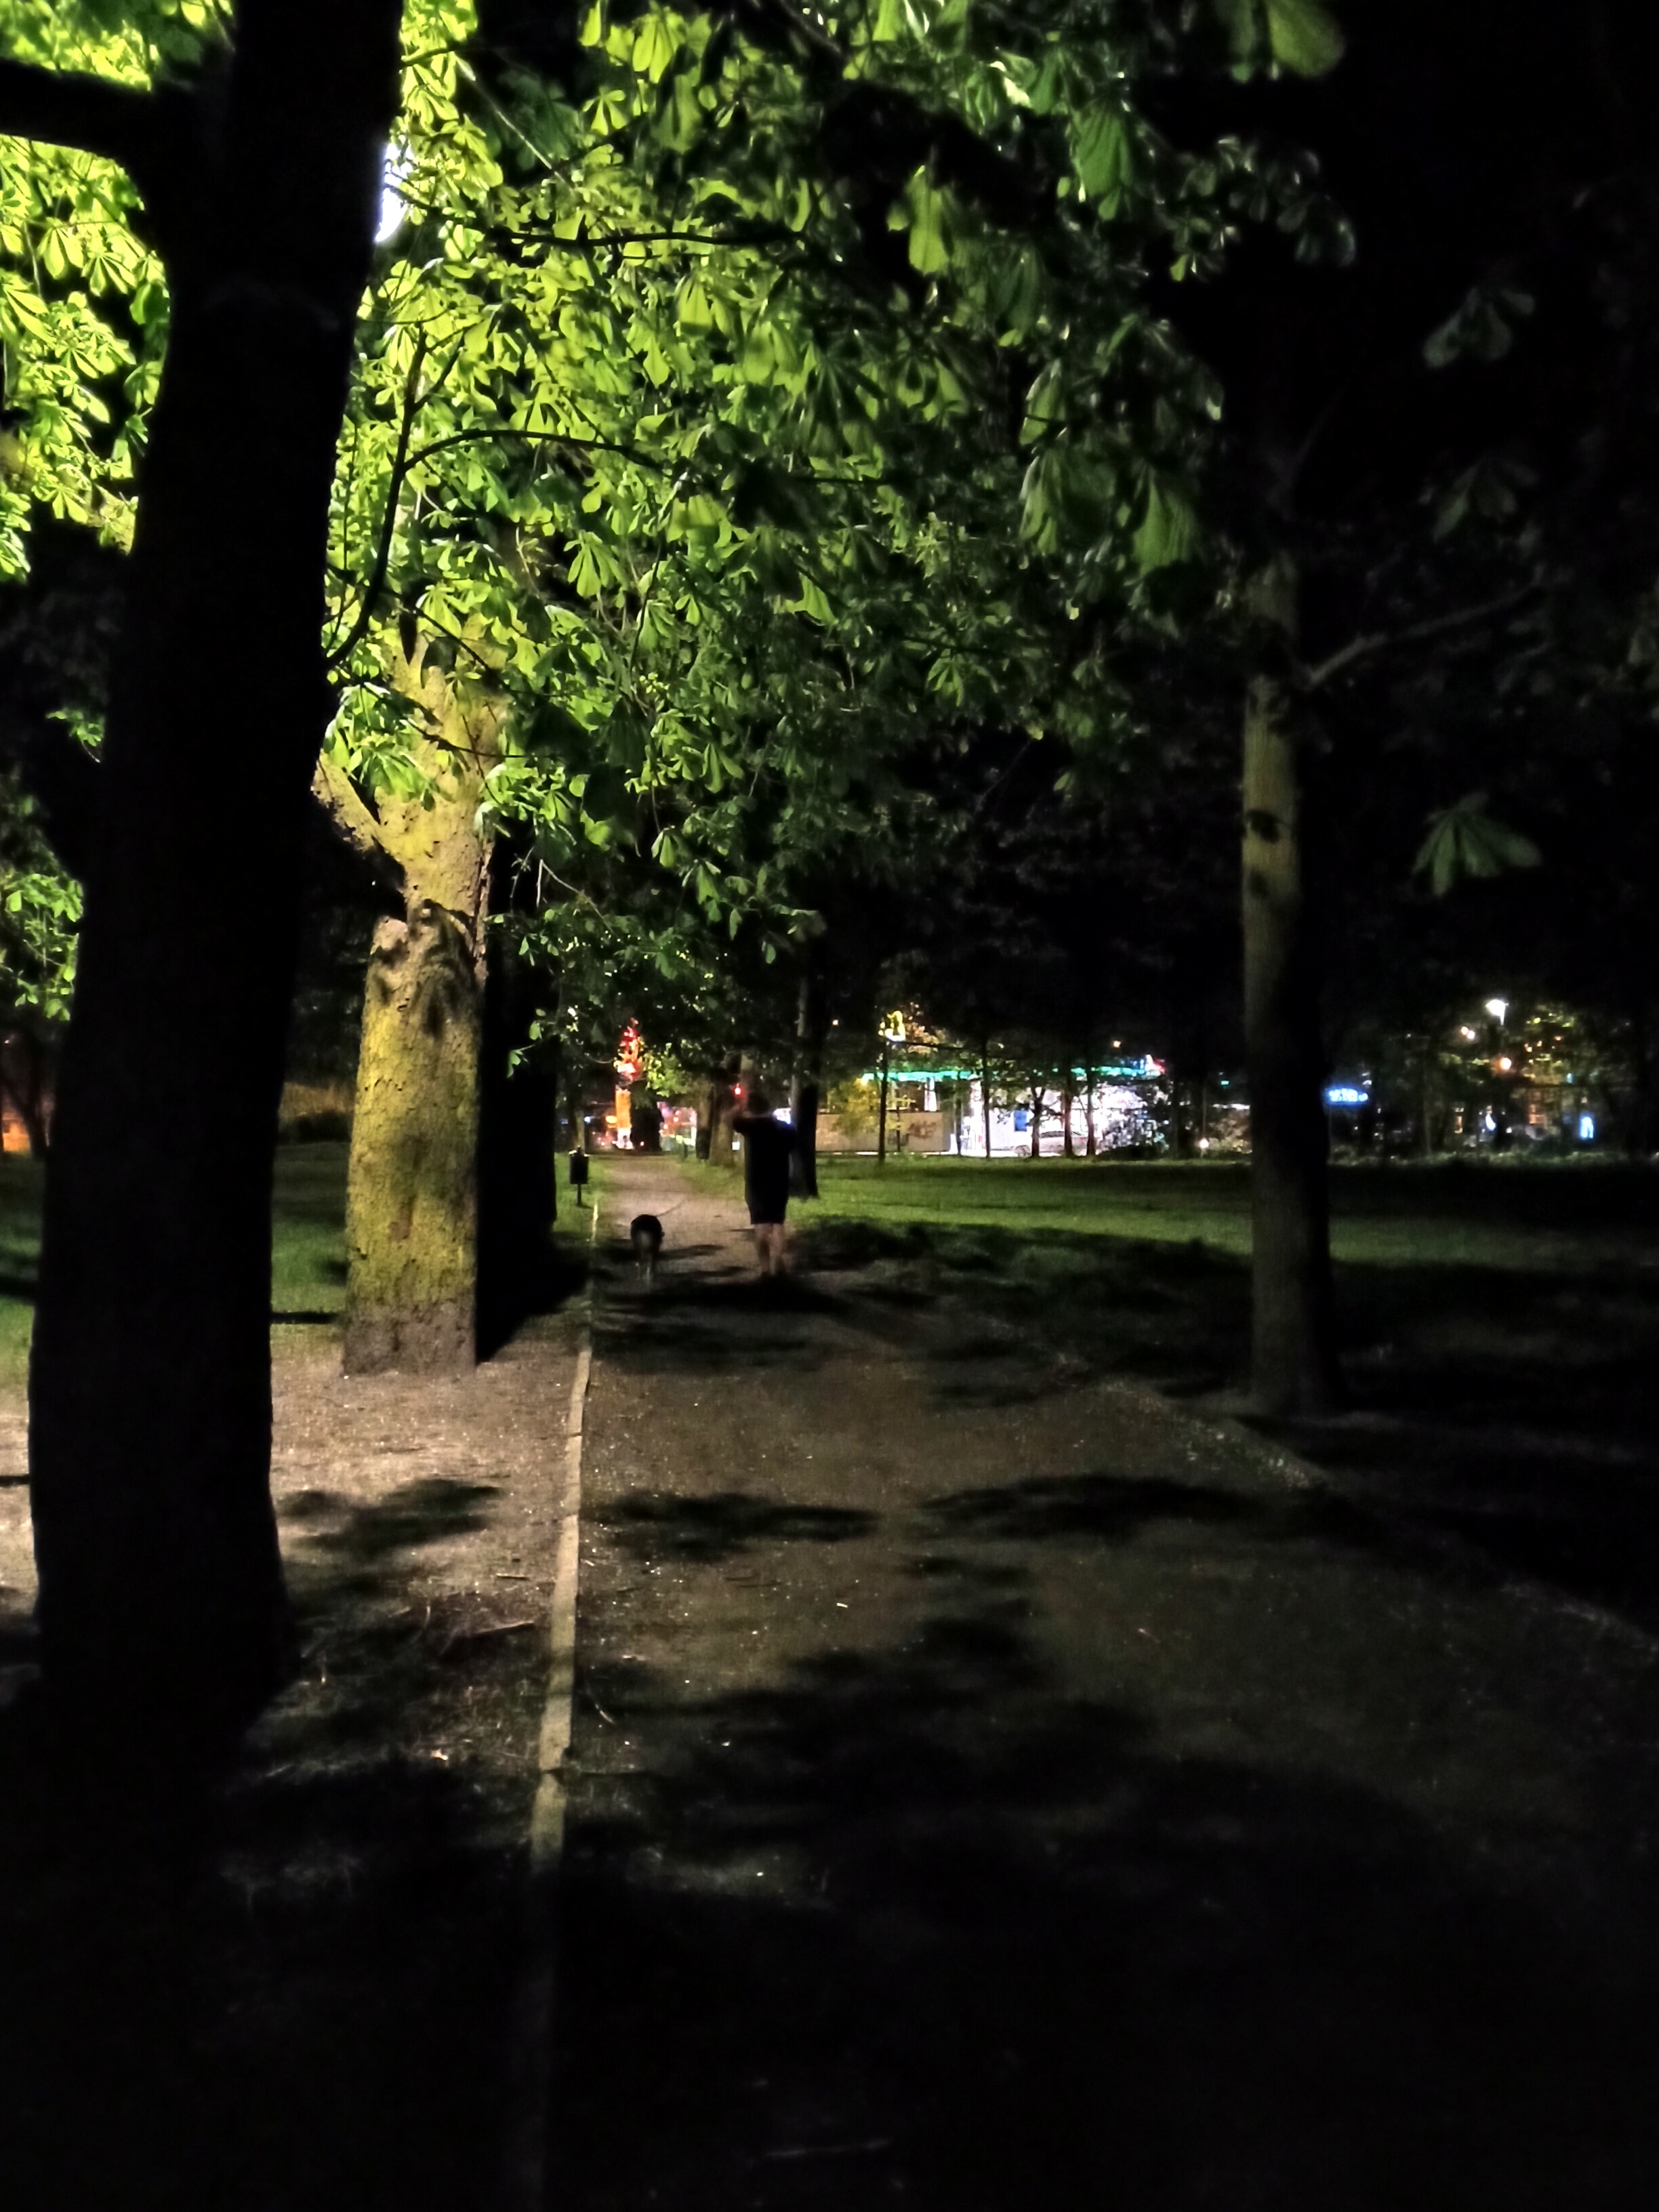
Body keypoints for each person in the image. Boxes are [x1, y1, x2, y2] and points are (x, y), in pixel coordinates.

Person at [731, 1088, 794, 1277]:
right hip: (780, 1181)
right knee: (778, 1223)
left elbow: (728, 1119)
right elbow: (794, 1145)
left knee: (760, 1226)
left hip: (756, 1183)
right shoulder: (784, 1128)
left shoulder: (751, 1127)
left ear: (751, 1109)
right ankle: (777, 1263)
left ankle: (765, 1269)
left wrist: (739, 1104)